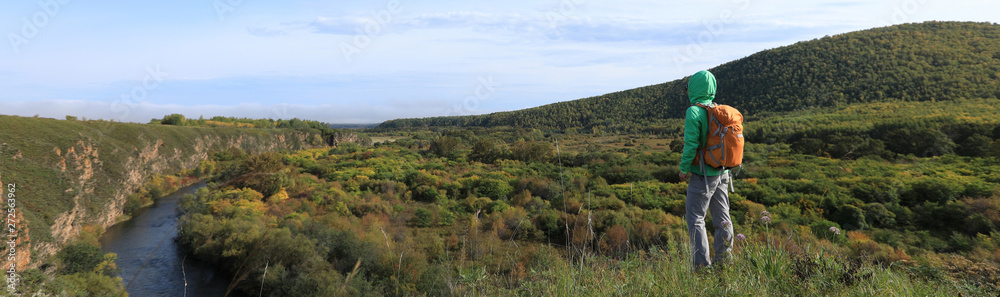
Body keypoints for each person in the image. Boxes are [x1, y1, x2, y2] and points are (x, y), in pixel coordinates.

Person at [678, 70, 733, 271]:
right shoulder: (720, 110)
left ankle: (702, 268)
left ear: (693, 89)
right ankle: (724, 263)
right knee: (723, 218)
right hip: (724, 172)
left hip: (702, 175)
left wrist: (684, 169)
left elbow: (691, 144)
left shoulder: (694, 111)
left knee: (696, 220)